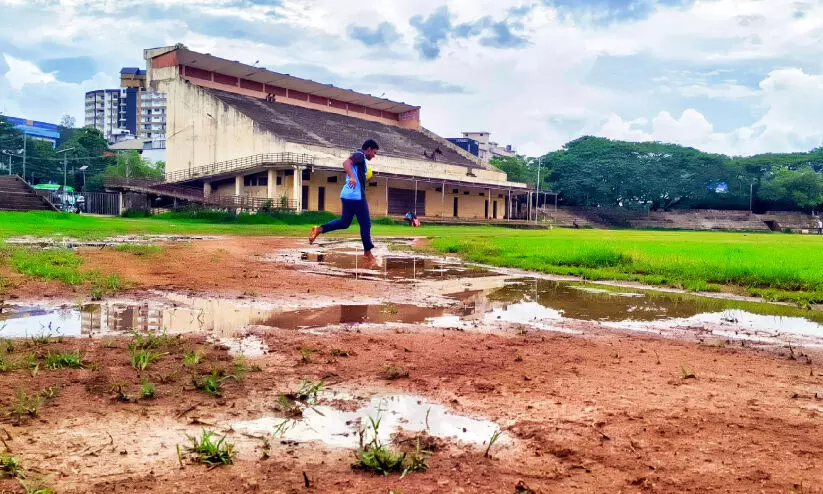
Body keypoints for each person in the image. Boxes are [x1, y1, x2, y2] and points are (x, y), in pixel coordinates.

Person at [309, 139, 379, 264]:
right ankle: (368, 254)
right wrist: (352, 177)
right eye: (374, 152)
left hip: (347, 195)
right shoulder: (360, 155)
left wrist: (356, 176)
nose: (374, 155)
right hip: (356, 197)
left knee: (345, 222)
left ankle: (319, 229)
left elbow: (350, 168)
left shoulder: (360, 158)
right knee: (366, 224)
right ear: (368, 149)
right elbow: (346, 163)